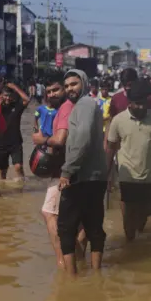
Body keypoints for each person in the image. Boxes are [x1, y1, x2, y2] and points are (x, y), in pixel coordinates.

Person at [106, 80, 151, 241]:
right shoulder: (118, 121)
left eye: (143, 103)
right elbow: (110, 149)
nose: (141, 107)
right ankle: (130, 246)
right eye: (137, 104)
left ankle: (138, 236)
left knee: (144, 215)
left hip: (149, 175)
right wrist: (107, 175)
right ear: (130, 103)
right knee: (129, 216)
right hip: (126, 174)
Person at [57, 69, 109, 276]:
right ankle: (96, 277)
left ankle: (72, 278)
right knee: (93, 226)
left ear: (84, 83)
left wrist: (67, 170)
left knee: (66, 229)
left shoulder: (85, 104)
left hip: (82, 177)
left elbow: (84, 137)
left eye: (74, 84)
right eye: (67, 85)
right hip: (94, 177)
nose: (70, 89)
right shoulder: (86, 105)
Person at [33, 72, 86, 268]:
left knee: (49, 214)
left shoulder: (65, 109)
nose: (52, 94)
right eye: (49, 92)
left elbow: (61, 139)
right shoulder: (80, 106)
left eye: (56, 89)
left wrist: (42, 140)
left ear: (64, 89)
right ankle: (79, 260)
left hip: (64, 171)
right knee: (80, 219)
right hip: (81, 169)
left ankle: (63, 260)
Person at [0, 82, 30, 180]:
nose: (8, 98)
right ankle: (3, 187)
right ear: (1, 96)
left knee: (18, 167)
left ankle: (22, 184)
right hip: (1, 144)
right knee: (3, 172)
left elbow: (27, 99)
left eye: (10, 96)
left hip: (15, 143)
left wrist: (15, 87)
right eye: (5, 95)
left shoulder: (16, 106)